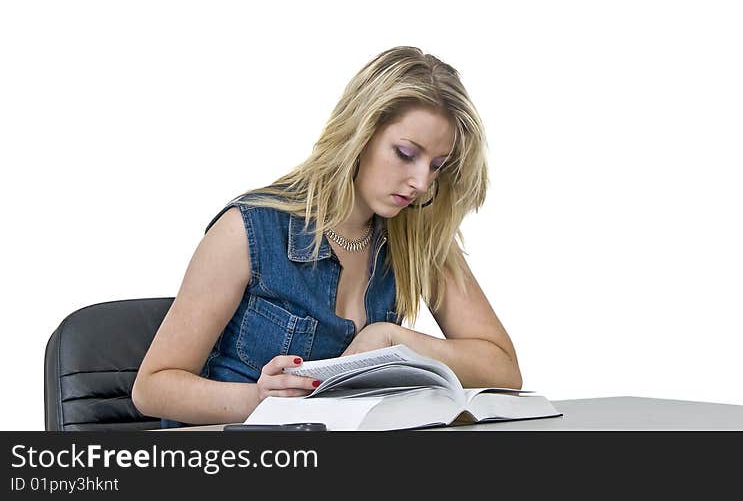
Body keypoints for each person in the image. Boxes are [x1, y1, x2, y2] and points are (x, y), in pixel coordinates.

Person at [132, 46, 522, 428]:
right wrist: (259, 399)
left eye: (436, 166)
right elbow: (152, 388)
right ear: (359, 134)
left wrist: (389, 339)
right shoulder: (248, 229)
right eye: (405, 153)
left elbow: (502, 368)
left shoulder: (417, 235)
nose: (421, 182)